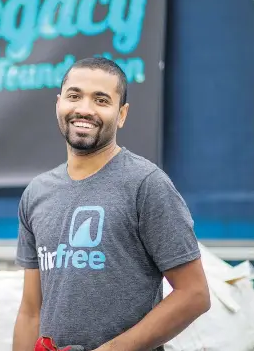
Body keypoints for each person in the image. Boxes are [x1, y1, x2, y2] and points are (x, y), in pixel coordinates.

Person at [12, 57, 211, 351]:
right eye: (74, 96)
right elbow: (31, 312)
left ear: (121, 114)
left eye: (101, 100)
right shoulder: (36, 193)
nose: (84, 109)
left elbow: (194, 294)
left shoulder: (146, 184)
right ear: (58, 104)